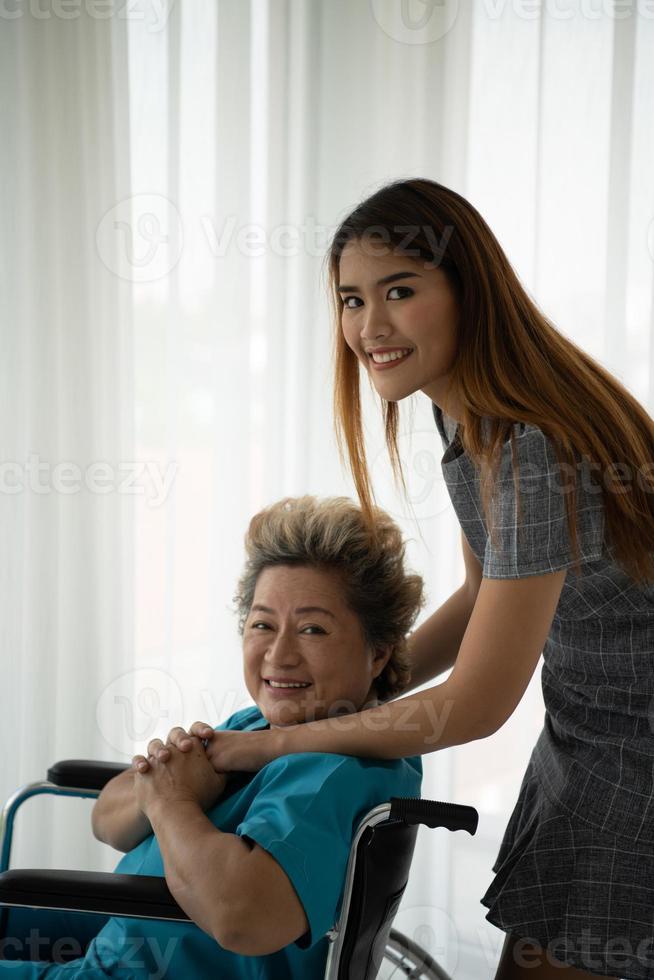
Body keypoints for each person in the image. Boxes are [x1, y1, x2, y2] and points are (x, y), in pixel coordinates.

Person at [171, 178, 654, 980]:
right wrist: (360, 685)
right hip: (588, 744)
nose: (370, 327)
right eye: (352, 300)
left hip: (632, 769)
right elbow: (477, 599)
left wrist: (284, 741)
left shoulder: (535, 450)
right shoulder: (469, 414)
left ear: (471, 292)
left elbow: (478, 703)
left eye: (400, 291)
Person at [0, 496, 424, 977]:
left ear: (378, 655)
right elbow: (108, 820)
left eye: (312, 629)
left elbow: (242, 919)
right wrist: (163, 789)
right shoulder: (258, 726)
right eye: (262, 624)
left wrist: (171, 804)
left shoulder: (333, 771)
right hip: (118, 933)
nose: (278, 655)